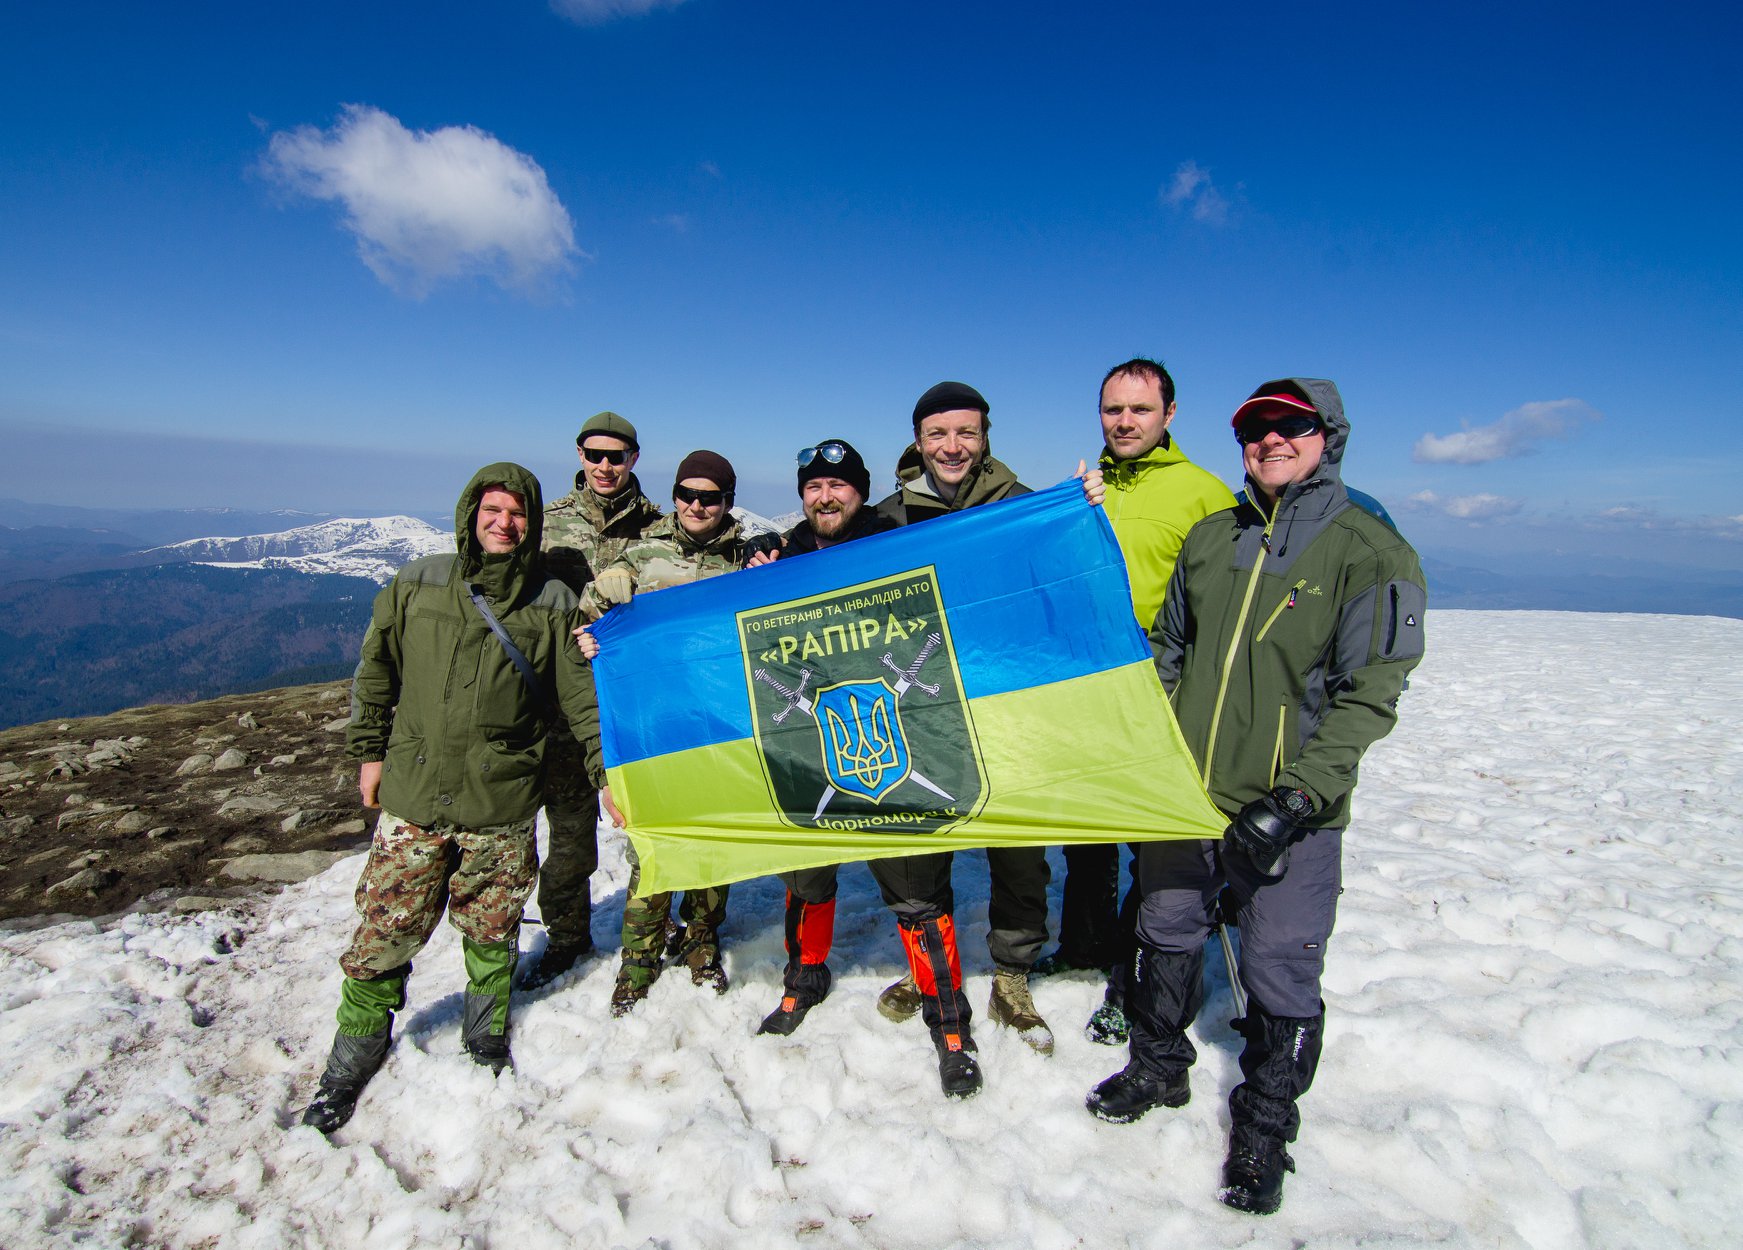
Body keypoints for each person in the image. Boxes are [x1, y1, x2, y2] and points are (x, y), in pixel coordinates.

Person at [1084, 379, 1426, 1216]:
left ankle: (1265, 1129)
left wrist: (1299, 797)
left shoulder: (1367, 550)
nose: (1270, 440)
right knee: (1165, 928)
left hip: (1289, 809)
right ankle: (1158, 1067)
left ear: (1326, 436)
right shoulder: (1212, 537)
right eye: (1255, 428)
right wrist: (1151, 744)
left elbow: (1370, 692)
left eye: (1289, 427)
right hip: (1186, 795)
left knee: (1277, 965)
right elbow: (1170, 646)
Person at [299, 464, 600, 1135]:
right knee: (384, 930)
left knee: (492, 930)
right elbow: (376, 668)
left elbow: (580, 700)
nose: (504, 522)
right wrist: (368, 753)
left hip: (499, 801)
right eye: (492, 509)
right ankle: (355, 1049)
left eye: (516, 513)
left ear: (532, 523)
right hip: (415, 795)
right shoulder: (418, 583)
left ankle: (485, 1034)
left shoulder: (550, 602)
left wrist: (610, 776)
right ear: (470, 514)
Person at [1034, 359, 1237, 1050]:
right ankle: (1082, 945)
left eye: (1139, 410)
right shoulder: (1085, 487)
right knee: (1087, 835)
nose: (1123, 422)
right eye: (1112, 410)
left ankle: (1132, 982)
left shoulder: (1204, 495)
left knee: (1154, 849)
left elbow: (1221, 607)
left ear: (1169, 415)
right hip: (1086, 688)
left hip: (1159, 692)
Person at [869, 381, 1051, 1097]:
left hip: (1005, 704)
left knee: (1018, 850)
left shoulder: (1020, 507)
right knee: (919, 843)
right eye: (938, 433)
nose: (952, 446)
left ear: (985, 437)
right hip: (918, 708)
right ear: (917, 440)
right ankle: (929, 970)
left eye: (965, 433)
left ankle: (1010, 974)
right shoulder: (885, 518)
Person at [580, 450, 750, 1016]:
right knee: (652, 848)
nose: (696, 506)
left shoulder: (748, 560)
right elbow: (590, 626)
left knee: (715, 843)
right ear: (675, 494)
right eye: (687, 494)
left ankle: (702, 940)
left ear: (727, 501)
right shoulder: (641, 554)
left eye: (710, 497)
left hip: (722, 727)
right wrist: (593, 622)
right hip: (655, 728)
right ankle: (639, 957)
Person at [742, 438, 895, 1036]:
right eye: (813, 487)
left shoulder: (892, 542)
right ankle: (805, 975)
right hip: (814, 732)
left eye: (838, 485)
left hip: (889, 723)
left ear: (861, 490)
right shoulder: (786, 555)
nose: (825, 496)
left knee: (912, 877)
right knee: (807, 868)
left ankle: (942, 999)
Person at [521, 411, 664, 991]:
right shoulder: (544, 524)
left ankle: (651, 929)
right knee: (570, 836)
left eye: (617, 456)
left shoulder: (661, 527)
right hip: (563, 705)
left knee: (650, 827)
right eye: (594, 455)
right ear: (579, 455)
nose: (605, 466)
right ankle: (567, 937)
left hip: (639, 704)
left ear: (634, 459)